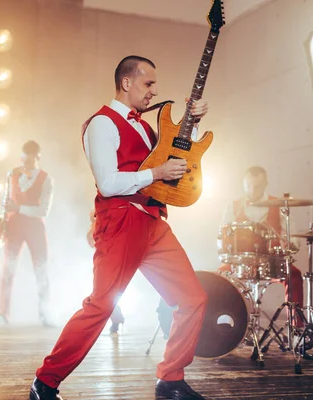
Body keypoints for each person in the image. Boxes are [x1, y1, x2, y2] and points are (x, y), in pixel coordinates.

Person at [30, 55, 209, 400]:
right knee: (101, 306)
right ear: (127, 82)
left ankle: (170, 380)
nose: (153, 90)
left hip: (152, 222)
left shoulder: (144, 126)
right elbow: (109, 183)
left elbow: (178, 156)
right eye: (148, 83)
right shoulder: (101, 124)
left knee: (193, 298)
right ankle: (45, 382)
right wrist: (156, 174)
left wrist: (194, 122)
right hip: (121, 221)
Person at [219, 166, 304, 324]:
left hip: (271, 262)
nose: (252, 190)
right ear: (243, 185)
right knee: (218, 277)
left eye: (257, 186)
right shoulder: (233, 206)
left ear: (265, 184)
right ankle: (227, 327)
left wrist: (290, 245)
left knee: (294, 276)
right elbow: (223, 236)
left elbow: (292, 236)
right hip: (240, 262)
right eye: (248, 186)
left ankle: (297, 328)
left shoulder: (277, 205)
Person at [0, 140, 54, 326]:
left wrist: (19, 208)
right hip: (14, 225)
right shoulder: (11, 175)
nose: (26, 163)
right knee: (8, 268)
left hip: (35, 227)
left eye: (30, 159)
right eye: (24, 158)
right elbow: (5, 200)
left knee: (41, 269)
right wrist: (2, 220)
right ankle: (3, 313)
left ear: (37, 157)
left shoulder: (45, 179)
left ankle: (45, 312)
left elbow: (43, 211)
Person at [87, 210, 125, 334]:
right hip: (104, 262)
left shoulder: (114, 223)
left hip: (113, 260)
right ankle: (116, 318)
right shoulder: (95, 228)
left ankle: (116, 318)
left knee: (108, 293)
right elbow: (91, 241)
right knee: (106, 294)